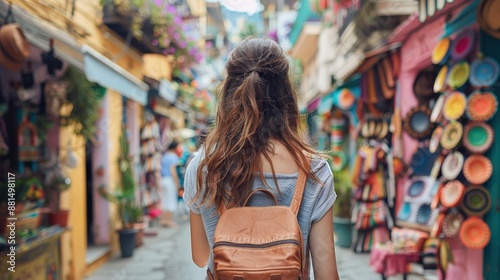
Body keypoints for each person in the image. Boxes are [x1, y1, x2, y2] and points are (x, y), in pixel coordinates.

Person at [183, 37, 339, 280]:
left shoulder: (203, 166)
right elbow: (327, 274)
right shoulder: (315, 170)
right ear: (286, 94)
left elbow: (201, 256)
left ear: (229, 93)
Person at [160, 141, 181, 227]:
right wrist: (177, 183)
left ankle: (164, 220)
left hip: (163, 179)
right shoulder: (173, 157)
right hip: (170, 180)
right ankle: (168, 221)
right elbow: (173, 171)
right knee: (171, 200)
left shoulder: (164, 156)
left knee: (165, 200)